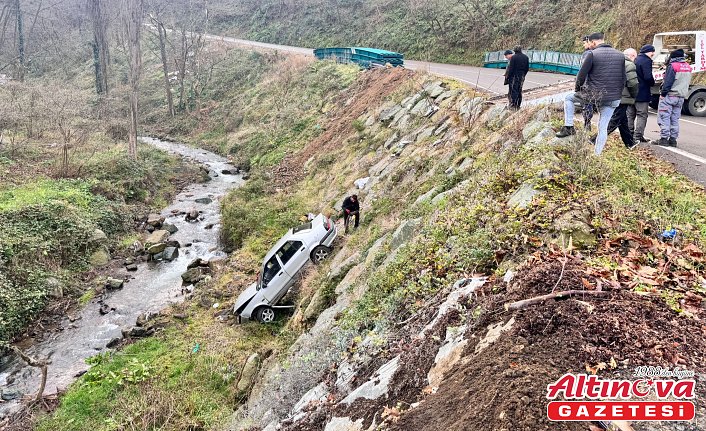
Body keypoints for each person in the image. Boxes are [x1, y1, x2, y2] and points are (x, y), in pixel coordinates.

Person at [556, 32, 626, 156]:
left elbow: (581, 75)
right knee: (603, 127)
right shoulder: (620, 55)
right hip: (613, 97)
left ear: (593, 42)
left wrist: (578, 90)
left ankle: (569, 127)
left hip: (593, 95)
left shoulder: (592, 54)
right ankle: (597, 154)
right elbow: (623, 78)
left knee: (569, 98)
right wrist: (618, 94)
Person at [652, 49, 692, 147]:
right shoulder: (688, 66)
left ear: (673, 57)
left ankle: (664, 139)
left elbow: (668, 82)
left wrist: (663, 94)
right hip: (681, 97)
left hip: (670, 95)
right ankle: (673, 140)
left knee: (664, 116)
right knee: (675, 118)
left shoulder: (673, 66)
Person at [604, 48, 639, 149]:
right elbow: (632, 83)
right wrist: (634, 95)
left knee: (623, 121)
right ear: (631, 56)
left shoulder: (614, 63)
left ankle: (629, 143)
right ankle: (595, 139)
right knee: (614, 121)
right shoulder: (629, 65)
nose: (635, 60)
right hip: (623, 96)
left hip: (612, 94)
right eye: (635, 57)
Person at [631, 44, 656, 143]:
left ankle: (629, 133)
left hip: (632, 92)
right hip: (642, 92)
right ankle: (638, 136)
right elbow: (648, 77)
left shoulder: (635, 59)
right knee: (642, 115)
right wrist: (652, 83)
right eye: (652, 52)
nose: (653, 54)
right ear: (649, 52)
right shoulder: (646, 61)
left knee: (630, 114)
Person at [504, 46, 529, 110]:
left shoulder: (514, 57)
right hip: (522, 76)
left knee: (513, 90)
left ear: (514, 50)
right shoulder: (526, 57)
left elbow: (511, 69)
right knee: (519, 90)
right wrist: (523, 75)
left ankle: (513, 105)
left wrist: (508, 76)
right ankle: (518, 105)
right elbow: (527, 68)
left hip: (514, 76)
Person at [580, 35, 596, 131]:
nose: (584, 45)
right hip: (595, 83)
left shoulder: (587, 54)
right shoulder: (595, 53)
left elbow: (583, 71)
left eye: (584, 43)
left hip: (588, 84)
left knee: (587, 104)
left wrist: (580, 84)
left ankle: (587, 125)